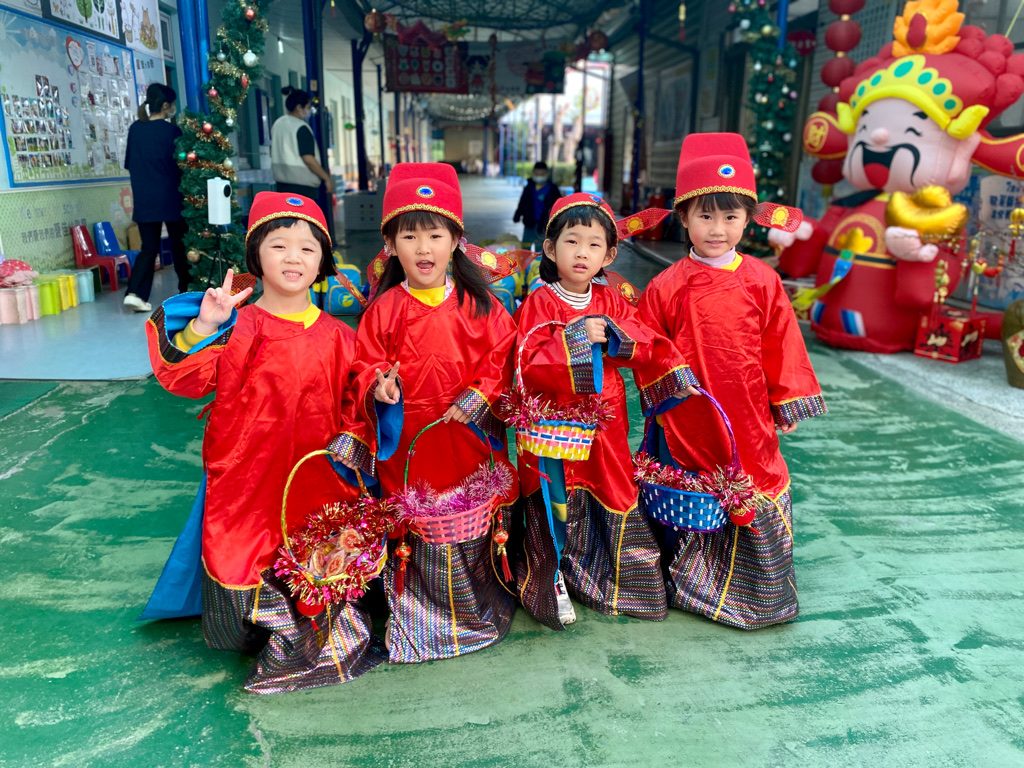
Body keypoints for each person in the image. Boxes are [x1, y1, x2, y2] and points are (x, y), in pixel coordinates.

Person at [141, 192, 386, 693]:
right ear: (256, 254)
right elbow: (185, 379)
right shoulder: (239, 327)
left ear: (322, 261)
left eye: (307, 248)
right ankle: (256, 628)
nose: (293, 258)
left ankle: (310, 632)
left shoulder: (339, 335)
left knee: (318, 555)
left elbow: (356, 394)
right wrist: (206, 324)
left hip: (316, 477)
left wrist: (376, 394)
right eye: (279, 245)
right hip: (245, 476)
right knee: (238, 558)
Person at [638, 133, 827, 630]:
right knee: (693, 485)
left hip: (748, 411)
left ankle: (760, 593)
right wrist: (667, 390)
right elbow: (648, 347)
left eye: (730, 217)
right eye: (705, 216)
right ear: (683, 217)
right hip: (688, 414)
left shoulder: (763, 279)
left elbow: (782, 344)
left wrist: (786, 401)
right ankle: (692, 585)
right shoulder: (666, 285)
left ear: (749, 219)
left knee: (755, 476)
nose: (717, 229)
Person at [340, 162, 519, 663]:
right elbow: (363, 364)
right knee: (415, 519)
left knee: (467, 514)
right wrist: (378, 385)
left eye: (435, 235)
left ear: (456, 241)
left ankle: (476, 604)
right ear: (390, 245)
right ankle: (416, 615)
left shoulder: (480, 305)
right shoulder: (384, 309)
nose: (424, 249)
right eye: (410, 236)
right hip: (409, 444)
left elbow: (504, 355)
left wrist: (481, 394)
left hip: (467, 439)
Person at [512, 193, 699, 630]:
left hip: (607, 421)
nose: (582, 253)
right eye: (572, 241)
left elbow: (645, 342)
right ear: (549, 248)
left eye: (594, 244)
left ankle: (626, 583)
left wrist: (619, 337)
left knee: (613, 485)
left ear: (609, 255)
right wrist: (576, 339)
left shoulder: (612, 300)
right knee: (557, 495)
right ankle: (555, 577)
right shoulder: (539, 302)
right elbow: (524, 362)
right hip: (553, 425)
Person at [123, 83, 190, 311]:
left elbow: (129, 164)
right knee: (179, 246)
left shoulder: (135, 129)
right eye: (172, 105)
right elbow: (181, 166)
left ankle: (135, 293)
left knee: (149, 249)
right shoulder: (173, 132)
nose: (173, 108)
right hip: (171, 197)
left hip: (144, 198)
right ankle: (186, 292)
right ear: (165, 105)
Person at [271, 86, 334, 199]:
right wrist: (326, 178)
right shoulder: (301, 127)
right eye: (308, 107)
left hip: (281, 185)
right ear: (299, 107)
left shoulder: (277, 124)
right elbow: (308, 159)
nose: (309, 111)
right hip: (302, 188)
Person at [513, 161, 561, 248]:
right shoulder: (529, 187)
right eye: (537, 174)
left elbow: (558, 206)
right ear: (533, 173)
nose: (539, 177)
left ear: (546, 174)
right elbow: (522, 202)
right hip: (529, 223)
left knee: (541, 249)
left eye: (542, 174)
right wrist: (518, 214)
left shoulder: (553, 190)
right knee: (525, 246)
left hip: (544, 225)